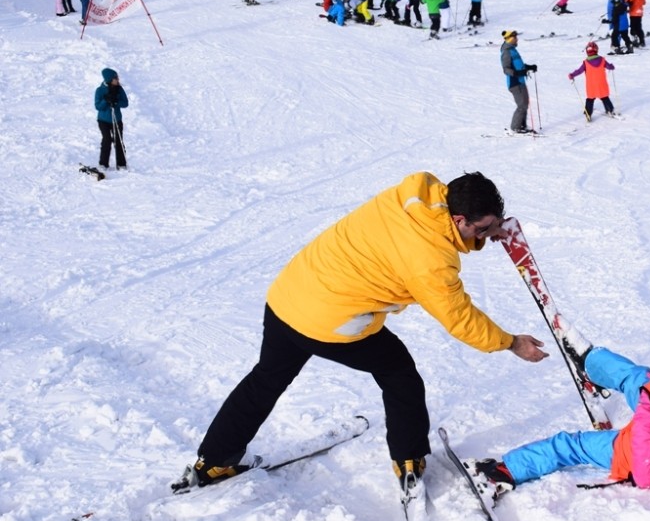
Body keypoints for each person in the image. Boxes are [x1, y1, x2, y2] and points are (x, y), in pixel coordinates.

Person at [172, 172, 547, 499]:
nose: (487, 235)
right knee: (399, 373)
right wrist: (512, 342)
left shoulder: (417, 192)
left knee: (267, 377)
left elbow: (441, 236)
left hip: (290, 293)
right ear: (459, 218)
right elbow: (460, 318)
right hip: (328, 318)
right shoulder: (431, 259)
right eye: (482, 229)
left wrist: (487, 229)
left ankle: (215, 461)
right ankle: (410, 461)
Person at [469, 318, 650, 498]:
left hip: (634, 456)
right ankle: (590, 360)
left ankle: (506, 471)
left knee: (569, 446)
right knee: (639, 379)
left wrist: (644, 479)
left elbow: (644, 443)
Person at [500, 31, 538, 134]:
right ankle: (515, 127)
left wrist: (529, 67)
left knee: (525, 104)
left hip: (520, 81)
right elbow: (506, 69)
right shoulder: (506, 52)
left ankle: (522, 126)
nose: (517, 39)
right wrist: (517, 73)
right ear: (510, 39)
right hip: (514, 82)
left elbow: (518, 65)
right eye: (515, 38)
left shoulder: (513, 50)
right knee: (522, 105)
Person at [568, 42, 617, 121]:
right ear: (596, 50)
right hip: (601, 84)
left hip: (591, 86)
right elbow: (609, 67)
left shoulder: (586, 63)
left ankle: (588, 114)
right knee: (604, 97)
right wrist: (611, 66)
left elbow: (579, 71)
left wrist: (572, 75)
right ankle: (610, 110)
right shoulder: (602, 60)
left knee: (590, 99)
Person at [94, 68, 129, 171]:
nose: (118, 80)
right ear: (109, 79)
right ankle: (103, 164)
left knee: (118, 140)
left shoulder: (119, 89)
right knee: (107, 140)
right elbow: (98, 106)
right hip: (103, 120)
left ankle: (121, 164)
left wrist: (116, 102)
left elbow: (125, 103)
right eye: (115, 78)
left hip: (116, 120)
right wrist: (106, 100)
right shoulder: (100, 90)